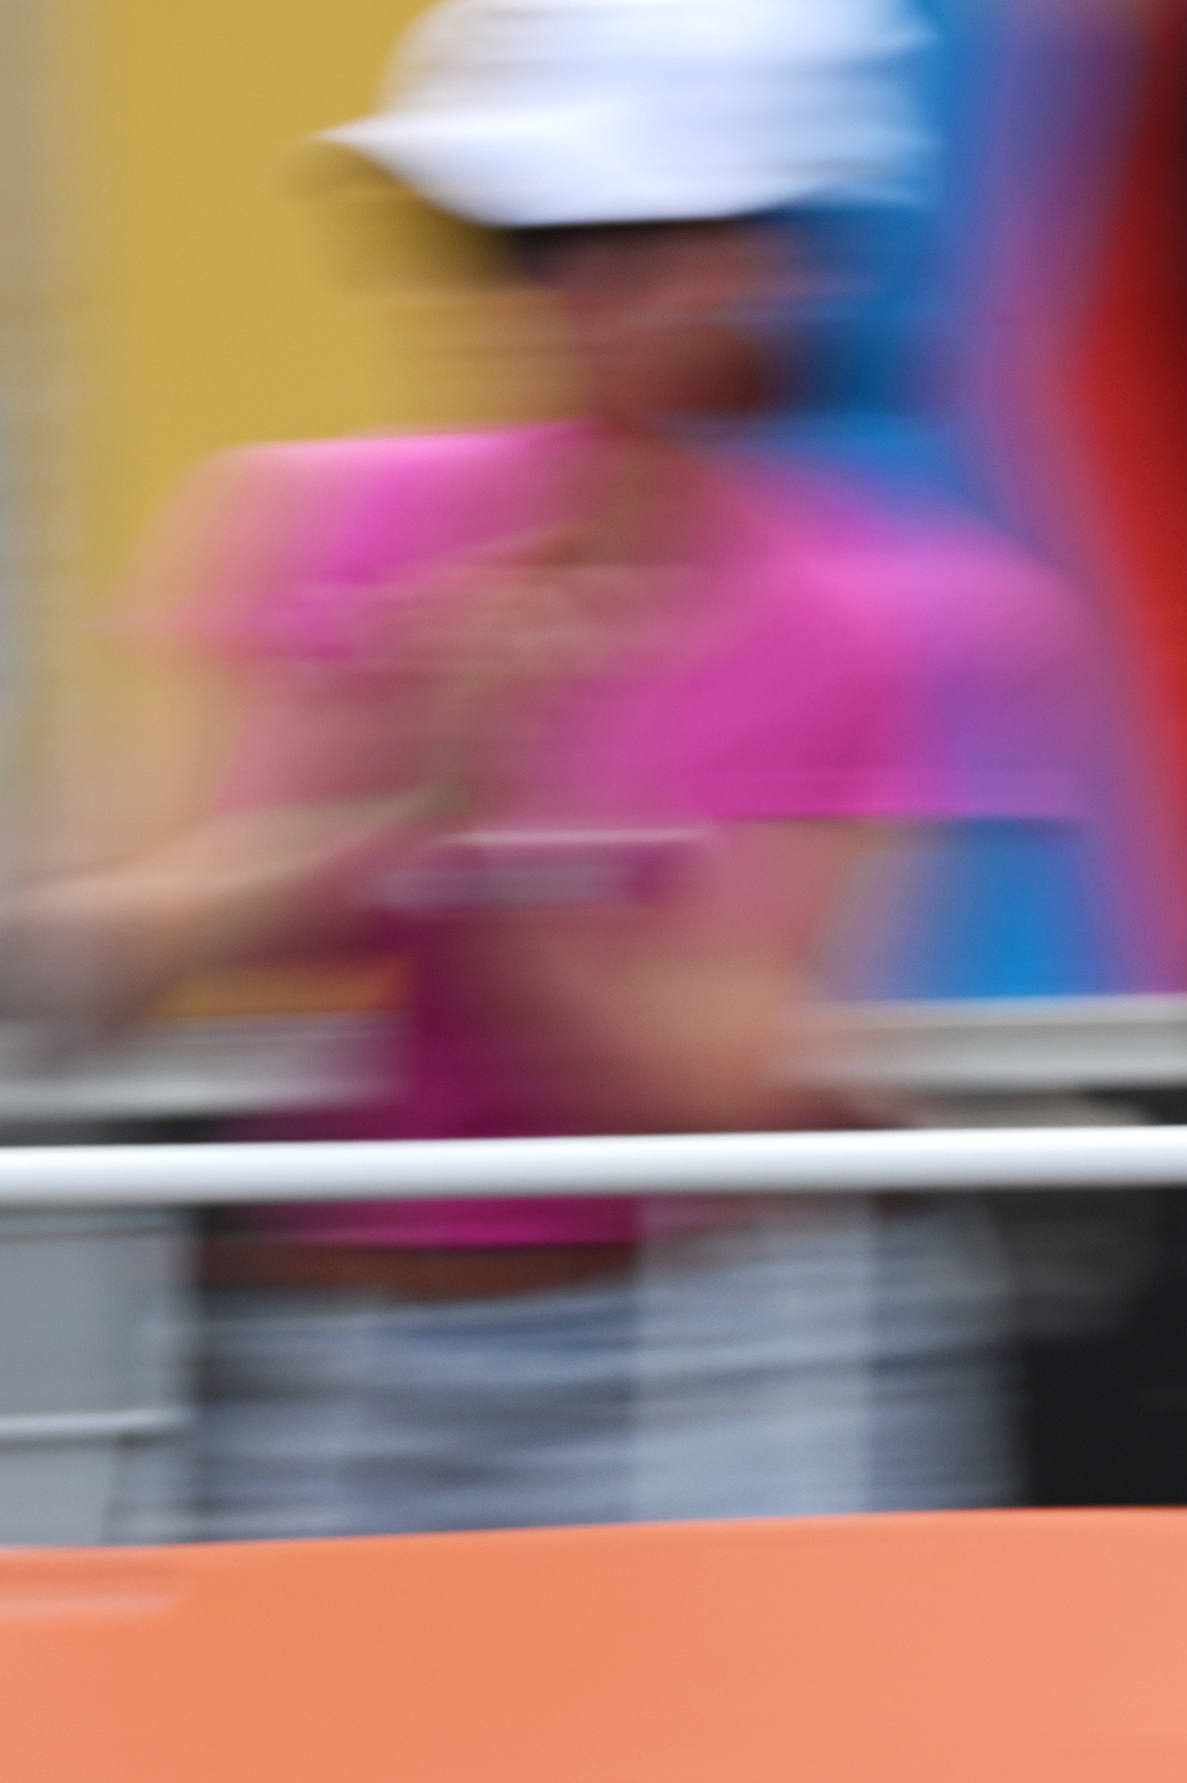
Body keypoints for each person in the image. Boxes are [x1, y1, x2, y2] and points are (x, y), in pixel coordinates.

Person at [0, 0, 1016, 1534]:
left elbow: (714, 1107)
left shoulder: (874, 606)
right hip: (339, 1346)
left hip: (716, 1362)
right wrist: (410, 795)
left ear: (762, 272)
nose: (550, 297)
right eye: (509, 244)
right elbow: (62, 966)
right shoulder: (305, 520)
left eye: (606, 242)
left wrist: (510, 816)